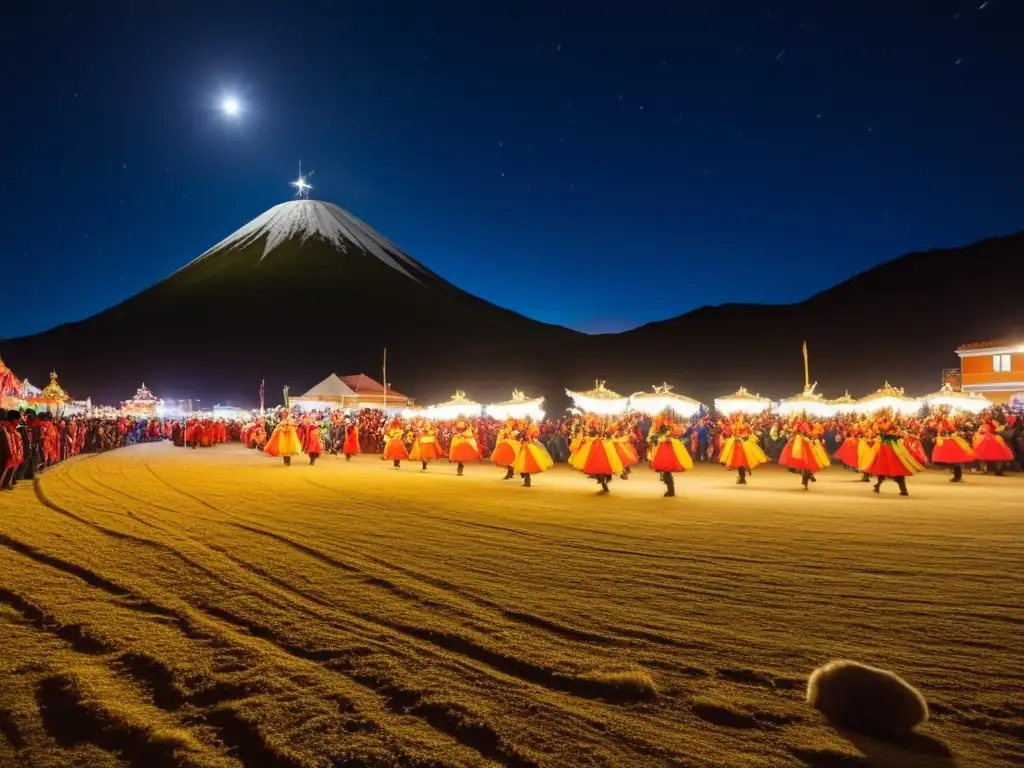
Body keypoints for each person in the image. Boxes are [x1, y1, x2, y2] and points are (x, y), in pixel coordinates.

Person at [865, 415, 921, 496]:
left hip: (889, 448)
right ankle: (880, 486)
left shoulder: (888, 425)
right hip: (887, 448)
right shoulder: (887, 425)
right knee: (886, 468)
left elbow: (894, 434)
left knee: (889, 467)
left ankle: (900, 489)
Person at [571, 419, 622, 493]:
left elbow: (605, 435)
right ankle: (604, 482)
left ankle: (604, 482)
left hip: (600, 448)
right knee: (602, 466)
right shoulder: (600, 430)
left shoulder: (599, 431)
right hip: (601, 447)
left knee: (600, 466)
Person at [779, 417, 830, 490]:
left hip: (799, 441)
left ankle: (805, 475)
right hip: (802, 442)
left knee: (803, 460)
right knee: (806, 460)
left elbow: (796, 432)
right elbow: (808, 433)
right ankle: (806, 475)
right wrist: (814, 436)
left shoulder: (797, 425)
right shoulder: (802, 424)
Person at [647, 416, 693, 497]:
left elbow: (656, 438)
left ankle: (670, 491)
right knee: (666, 473)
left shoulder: (665, 437)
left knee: (666, 472)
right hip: (665, 452)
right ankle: (670, 490)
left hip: (665, 454)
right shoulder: (666, 436)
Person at [719, 414, 768, 485]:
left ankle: (743, 476)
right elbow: (731, 432)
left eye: (741, 416)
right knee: (739, 461)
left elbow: (748, 433)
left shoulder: (744, 425)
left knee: (742, 460)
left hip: (743, 445)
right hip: (736, 445)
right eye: (738, 416)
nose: (739, 418)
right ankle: (742, 476)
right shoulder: (735, 425)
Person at [930, 415, 975, 482]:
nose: (944, 418)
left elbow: (949, 432)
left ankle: (957, 477)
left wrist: (944, 435)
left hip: (953, 443)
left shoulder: (949, 424)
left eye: (945, 417)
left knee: (955, 460)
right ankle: (957, 476)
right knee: (955, 460)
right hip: (951, 443)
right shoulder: (944, 424)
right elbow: (943, 433)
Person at [513, 422, 554, 487]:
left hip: (528, 448)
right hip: (526, 447)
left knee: (525, 464)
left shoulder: (531, 430)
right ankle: (526, 479)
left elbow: (532, 438)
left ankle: (527, 480)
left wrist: (527, 438)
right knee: (524, 464)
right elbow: (521, 437)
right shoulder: (524, 430)